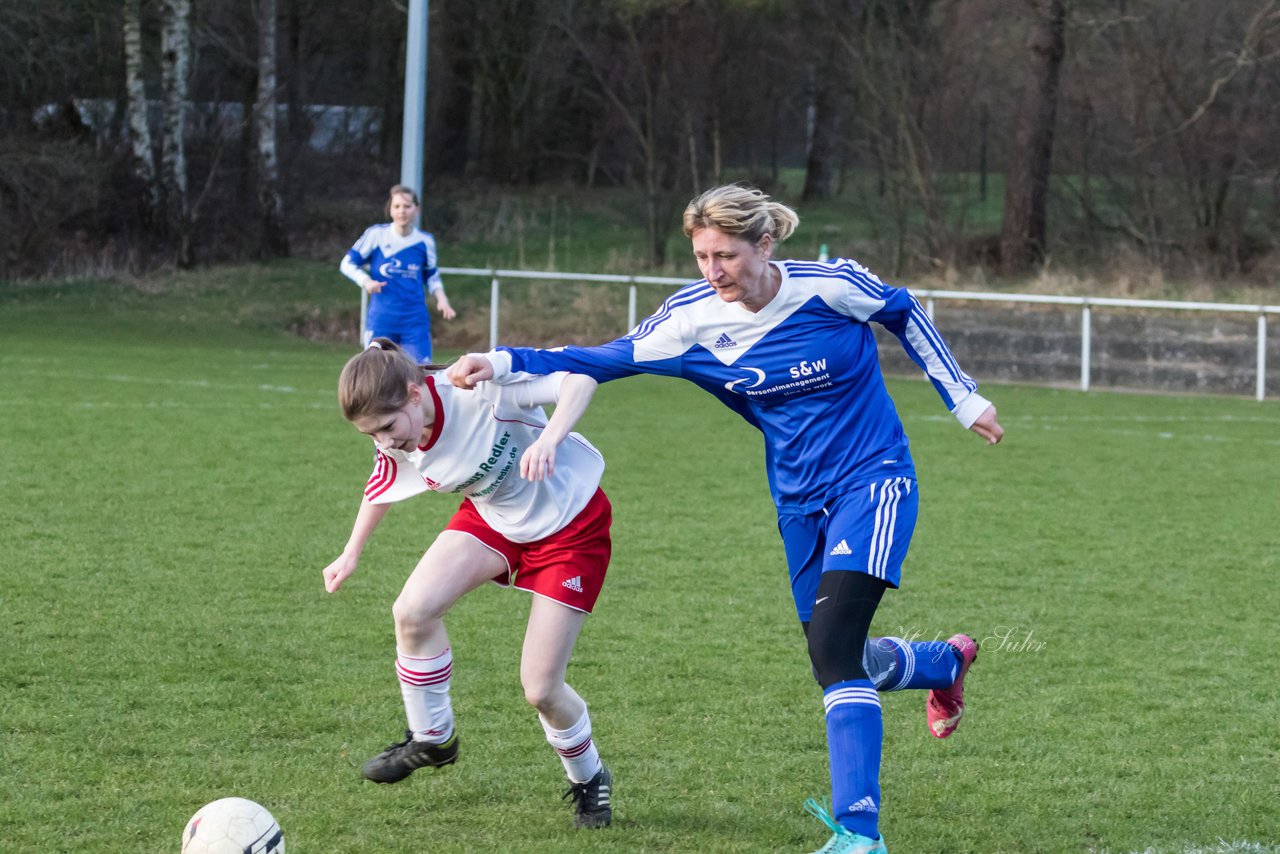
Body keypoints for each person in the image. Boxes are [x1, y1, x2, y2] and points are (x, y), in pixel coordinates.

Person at [446, 184, 1004, 854]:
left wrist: (964, 398)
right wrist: (502, 360)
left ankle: (860, 835)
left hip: (874, 479)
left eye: (727, 255)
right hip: (798, 501)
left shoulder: (830, 287)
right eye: (702, 256)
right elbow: (602, 358)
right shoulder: (692, 319)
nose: (713, 271)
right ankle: (942, 664)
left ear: (765, 245)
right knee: (841, 658)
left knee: (832, 652)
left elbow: (905, 312)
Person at [321, 338, 614, 830]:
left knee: (541, 689)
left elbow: (579, 382)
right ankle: (433, 738)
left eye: (388, 428)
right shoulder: (398, 435)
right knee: (412, 611)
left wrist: (549, 439)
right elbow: (383, 477)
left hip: (570, 526)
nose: (386, 442)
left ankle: (589, 779)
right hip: (494, 516)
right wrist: (351, 552)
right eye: (372, 435)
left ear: (415, 394)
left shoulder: (478, 390)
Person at [340, 185, 456, 363]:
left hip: (414, 321)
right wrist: (366, 281)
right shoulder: (376, 235)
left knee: (419, 376)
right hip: (382, 319)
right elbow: (346, 264)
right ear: (390, 209)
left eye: (407, 206)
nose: (402, 211)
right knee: (377, 376)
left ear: (416, 209)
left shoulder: (425, 241)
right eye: (397, 206)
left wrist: (442, 299)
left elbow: (431, 275)